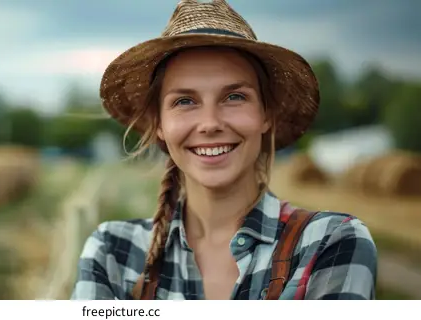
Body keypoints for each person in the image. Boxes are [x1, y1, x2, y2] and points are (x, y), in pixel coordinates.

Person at [70, 0, 377, 300]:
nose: (210, 123)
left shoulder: (329, 242)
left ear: (266, 114)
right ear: (159, 123)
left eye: (234, 97)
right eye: (184, 101)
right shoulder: (113, 252)